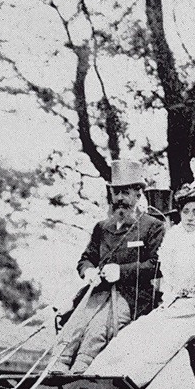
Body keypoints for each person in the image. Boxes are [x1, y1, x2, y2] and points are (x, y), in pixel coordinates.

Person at [86, 177, 195, 389]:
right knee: (134, 333)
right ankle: (99, 382)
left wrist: (186, 305)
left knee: (162, 341)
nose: (190, 217)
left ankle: (129, 385)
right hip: (173, 308)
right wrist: (173, 302)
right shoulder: (175, 240)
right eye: (186, 212)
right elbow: (167, 281)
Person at [56, 160, 165, 373]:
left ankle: (79, 374)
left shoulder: (153, 226)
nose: (120, 199)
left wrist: (121, 272)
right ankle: (55, 370)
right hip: (98, 292)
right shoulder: (102, 227)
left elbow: (157, 265)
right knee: (74, 326)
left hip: (133, 297)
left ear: (138, 194)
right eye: (116, 193)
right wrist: (88, 271)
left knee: (98, 331)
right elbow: (86, 259)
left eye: (126, 193)